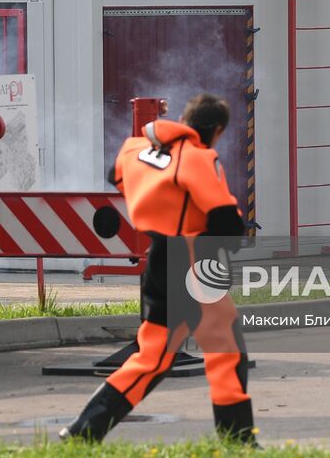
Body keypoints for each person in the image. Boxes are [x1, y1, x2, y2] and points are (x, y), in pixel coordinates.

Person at [60, 93, 253, 444]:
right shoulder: (200, 158)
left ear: (186, 119)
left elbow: (113, 174)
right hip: (195, 260)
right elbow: (225, 218)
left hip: (160, 257)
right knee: (227, 350)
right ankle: (238, 440)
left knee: (152, 357)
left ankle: (83, 431)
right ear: (218, 130)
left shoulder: (136, 150)